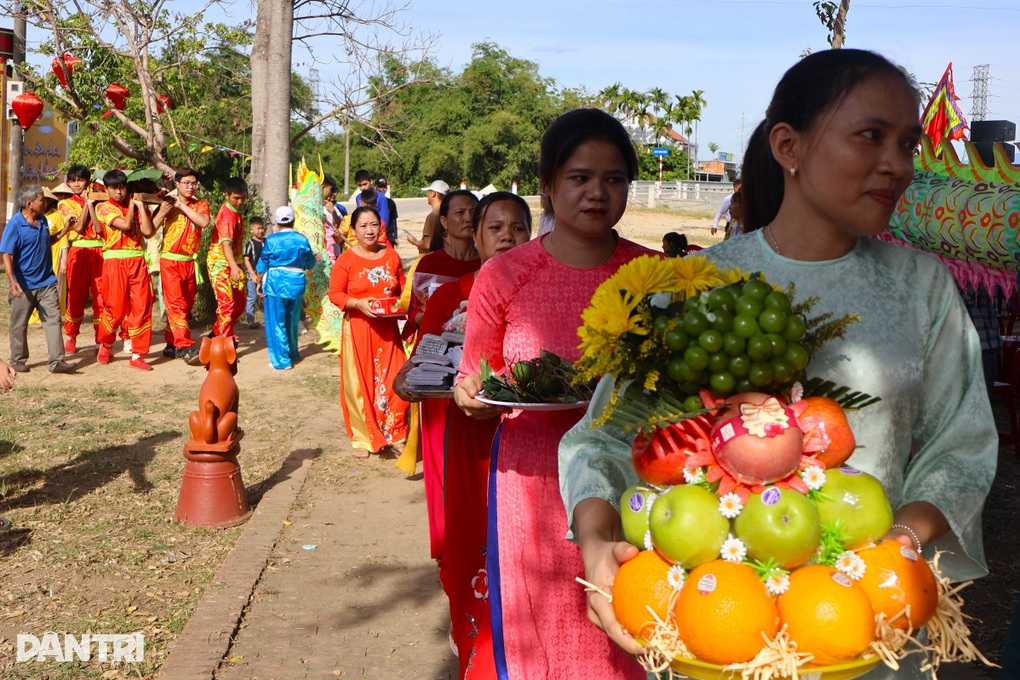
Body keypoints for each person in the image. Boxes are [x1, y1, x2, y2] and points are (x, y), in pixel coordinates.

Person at [558, 50, 997, 680]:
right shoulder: (696, 287)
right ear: (788, 145)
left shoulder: (921, 287)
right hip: (718, 627)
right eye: (871, 136)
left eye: (907, 143)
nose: (897, 166)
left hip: (863, 627)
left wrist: (898, 542)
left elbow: (962, 441)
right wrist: (599, 545)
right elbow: (599, 440)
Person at [453, 108, 655, 679]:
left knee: (626, 624)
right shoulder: (504, 275)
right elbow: (476, 375)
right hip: (531, 479)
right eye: (580, 177)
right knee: (538, 627)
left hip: (630, 479)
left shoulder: (654, 275)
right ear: (547, 186)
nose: (598, 192)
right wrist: (470, 393)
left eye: (614, 179)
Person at [395, 191, 533, 675]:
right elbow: (418, 365)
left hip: (531, 442)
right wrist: (409, 382)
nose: (507, 237)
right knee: (471, 537)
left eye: (517, 228)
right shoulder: (450, 295)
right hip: (468, 439)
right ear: (475, 236)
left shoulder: (544, 293)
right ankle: (475, 645)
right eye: (495, 228)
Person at [327, 206, 410, 458]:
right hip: (359, 328)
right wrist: (358, 304)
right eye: (363, 226)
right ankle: (363, 438)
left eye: (374, 224)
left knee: (395, 378)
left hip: (387, 329)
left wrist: (401, 305)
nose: (369, 231)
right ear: (353, 231)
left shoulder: (391, 255)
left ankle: (396, 432)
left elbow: (403, 290)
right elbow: (335, 294)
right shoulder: (347, 260)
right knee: (361, 384)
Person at [1, 184, 76, 374]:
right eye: (42, 200)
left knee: (53, 320)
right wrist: (12, 280)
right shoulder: (15, 225)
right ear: (29, 203)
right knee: (19, 323)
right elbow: (6, 254)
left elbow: (46, 240)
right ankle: (18, 360)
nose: (46, 202)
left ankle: (57, 362)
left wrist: (65, 230)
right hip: (24, 285)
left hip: (47, 282)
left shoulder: (42, 220)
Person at [94, 170, 158, 370]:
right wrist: (133, 205)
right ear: (107, 189)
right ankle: (106, 343)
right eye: (114, 188)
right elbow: (125, 224)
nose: (119, 192)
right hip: (114, 262)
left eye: (122, 187)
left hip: (138, 260)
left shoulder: (139, 206)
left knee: (142, 307)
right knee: (115, 308)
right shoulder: (103, 208)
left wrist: (144, 207)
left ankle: (138, 354)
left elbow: (148, 232)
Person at [152, 168, 211, 363]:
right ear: (176, 184)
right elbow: (151, 228)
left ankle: (171, 343)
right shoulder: (167, 203)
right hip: (170, 261)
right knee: (176, 305)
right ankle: (185, 346)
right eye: (186, 183)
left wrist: (182, 206)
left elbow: (203, 222)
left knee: (185, 306)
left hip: (189, 263)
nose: (190, 187)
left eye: (193, 183)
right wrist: (164, 209)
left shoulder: (200, 204)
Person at [405, 190, 480, 340]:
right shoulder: (429, 263)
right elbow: (413, 311)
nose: (468, 218)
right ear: (444, 222)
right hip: (436, 345)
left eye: (473, 212)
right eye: (460, 212)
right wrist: (426, 317)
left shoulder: (489, 262)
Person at [257, 207, 316, 370]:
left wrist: (258, 280)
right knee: (293, 319)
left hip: (276, 283)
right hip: (297, 283)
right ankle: (293, 353)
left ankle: (281, 360)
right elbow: (310, 262)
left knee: (276, 321)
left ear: (276, 222)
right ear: (293, 220)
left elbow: (263, 262)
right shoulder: (302, 240)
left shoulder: (271, 240)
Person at [60, 165, 103, 354]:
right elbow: (77, 228)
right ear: (68, 183)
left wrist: (92, 202)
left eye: (80, 180)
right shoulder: (65, 204)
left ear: (88, 181)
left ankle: (100, 339)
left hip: (100, 251)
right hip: (77, 251)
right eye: (73, 180)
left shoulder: (101, 202)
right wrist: (87, 203)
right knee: (75, 297)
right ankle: (71, 336)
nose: (77, 184)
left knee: (101, 297)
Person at [209, 177, 248, 339]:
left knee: (239, 305)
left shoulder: (236, 213)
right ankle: (224, 344)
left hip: (234, 263)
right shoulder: (228, 216)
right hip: (220, 264)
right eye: (236, 198)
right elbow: (226, 245)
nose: (239, 201)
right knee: (227, 305)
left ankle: (216, 335)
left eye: (242, 198)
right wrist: (233, 266)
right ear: (227, 195)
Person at [408, 180, 448, 253]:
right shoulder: (448, 212)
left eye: (428, 192)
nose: (427, 195)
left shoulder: (433, 215)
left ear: (433, 194)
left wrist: (413, 241)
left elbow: (427, 244)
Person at [242, 217, 267, 329]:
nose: (261, 231)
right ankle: (250, 320)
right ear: (251, 230)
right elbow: (246, 259)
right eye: (258, 228)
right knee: (252, 297)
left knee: (266, 297)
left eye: (262, 228)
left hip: (265, 275)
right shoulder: (250, 243)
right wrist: (252, 274)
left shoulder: (266, 242)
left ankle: (268, 320)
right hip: (253, 275)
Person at [322, 175, 348, 261]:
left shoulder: (333, 207)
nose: (331, 193)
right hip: (319, 252)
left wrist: (332, 211)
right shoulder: (312, 206)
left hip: (334, 252)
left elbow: (341, 226)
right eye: (331, 190)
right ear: (323, 187)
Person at [375, 177, 399, 246]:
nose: (382, 189)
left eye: (384, 187)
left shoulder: (391, 202)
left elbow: (393, 220)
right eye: (380, 186)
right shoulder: (371, 201)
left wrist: (396, 237)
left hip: (388, 235)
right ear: (376, 187)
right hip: (376, 234)